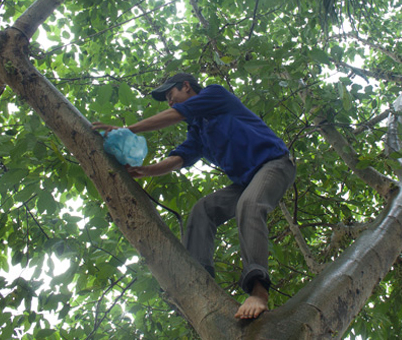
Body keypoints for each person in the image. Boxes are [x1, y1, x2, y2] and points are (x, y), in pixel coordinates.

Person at [92, 73, 296, 319]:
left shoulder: (215, 94)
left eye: (171, 95)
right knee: (203, 210)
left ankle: (259, 291)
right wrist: (145, 171)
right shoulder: (198, 130)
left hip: (274, 164)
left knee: (250, 205)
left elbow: (177, 114)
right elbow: (179, 158)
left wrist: (126, 130)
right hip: (245, 182)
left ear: (186, 86)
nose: (170, 102)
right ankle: (198, 279)